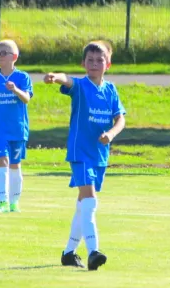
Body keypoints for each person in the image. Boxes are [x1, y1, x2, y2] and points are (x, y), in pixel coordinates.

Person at [43, 41, 126, 271]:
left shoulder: (110, 90)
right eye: (90, 60)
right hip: (80, 153)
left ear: (108, 64)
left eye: (99, 60)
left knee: (83, 205)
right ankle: (93, 252)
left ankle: (69, 253)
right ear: (83, 64)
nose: (94, 64)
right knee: (90, 201)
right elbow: (66, 79)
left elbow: (121, 119)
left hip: (100, 155)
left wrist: (110, 134)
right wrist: (55, 77)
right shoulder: (80, 86)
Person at [0, 40, 33, 213]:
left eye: (4, 53)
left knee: (15, 164)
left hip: (18, 129)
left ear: (14, 57)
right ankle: (2, 201)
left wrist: (15, 90)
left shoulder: (22, 77)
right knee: (2, 161)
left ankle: (14, 202)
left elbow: (26, 98)